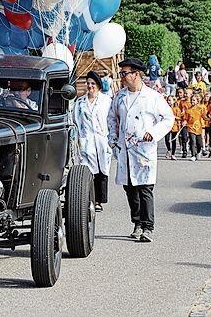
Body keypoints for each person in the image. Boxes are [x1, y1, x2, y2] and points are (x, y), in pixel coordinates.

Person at [107, 57, 174, 243]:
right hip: (125, 149)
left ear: (136, 74)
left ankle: (148, 227)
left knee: (144, 187)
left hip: (144, 149)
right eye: (121, 74)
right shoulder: (119, 97)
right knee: (130, 188)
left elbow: (168, 118)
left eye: (125, 73)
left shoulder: (152, 97)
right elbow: (111, 118)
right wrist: (113, 138)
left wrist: (153, 133)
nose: (122, 77)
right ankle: (136, 223)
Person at [73, 71, 112, 212]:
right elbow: (75, 120)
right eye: (88, 83)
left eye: (93, 84)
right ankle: (88, 198)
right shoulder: (80, 102)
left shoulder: (106, 101)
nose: (90, 86)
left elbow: (112, 120)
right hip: (86, 139)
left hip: (102, 139)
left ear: (98, 86)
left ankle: (99, 200)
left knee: (102, 170)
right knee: (88, 170)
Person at [184, 94, 205, 161]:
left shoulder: (200, 109)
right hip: (190, 127)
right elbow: (186, 118)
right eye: (191, 100)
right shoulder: (188, 110)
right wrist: (184, 122)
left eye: (194, 100)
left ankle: (198, 152)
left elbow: (204, 116)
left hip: (198, 127)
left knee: (199, 143)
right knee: (193, 141)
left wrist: (210, 119)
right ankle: (193, 155)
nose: (192, 101)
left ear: (197, 101)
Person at [164, 96, 180, 160]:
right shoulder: (165, 108)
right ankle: (169, 149)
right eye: (168, 100)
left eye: (170, 100)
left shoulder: (177, 109)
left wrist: (174, 117)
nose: (169, 102)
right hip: (167, 126)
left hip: (174, 126)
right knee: (167, 139)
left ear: (174, 101)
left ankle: (173, 154)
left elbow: (179, 118)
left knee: (173, 140)